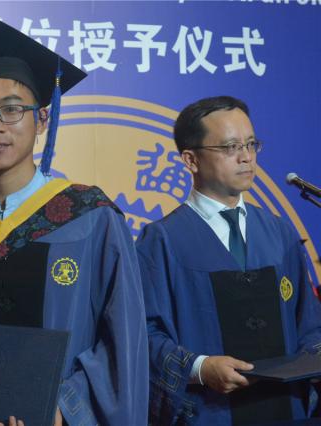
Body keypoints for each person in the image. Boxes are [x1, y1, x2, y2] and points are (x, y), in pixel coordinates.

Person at [0, 18, 149, 426]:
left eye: (12, 110)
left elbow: (123, 338)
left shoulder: (90, 217)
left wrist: (65, 406)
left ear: (42, 119)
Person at [137, 96, 321, 425]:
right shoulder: (163, 240)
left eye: (251, 144)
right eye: (230, 147)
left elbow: (308, 322)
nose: (246, 157)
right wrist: (200, 368)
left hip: (287, 410)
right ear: (191, 160)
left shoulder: (278, 231)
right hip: (210, 412)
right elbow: (143, 335)